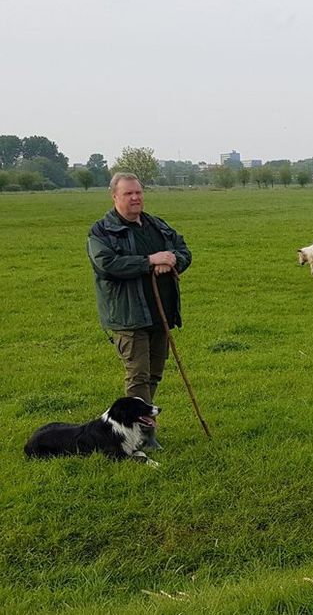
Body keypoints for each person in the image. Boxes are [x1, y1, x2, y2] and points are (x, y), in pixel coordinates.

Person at [88, 173, 192, 450]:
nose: (135, 198)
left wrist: (171, 260)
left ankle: (140, 427)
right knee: (138, 376)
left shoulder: (156, 225)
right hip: (128, 317)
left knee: (154, 373)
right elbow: (107, 264)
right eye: (128, 194)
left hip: (161, 315)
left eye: (138, 193)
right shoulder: (102, 232)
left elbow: (182, 249)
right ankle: (141, 439)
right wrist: (149, 261)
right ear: (114, 196)